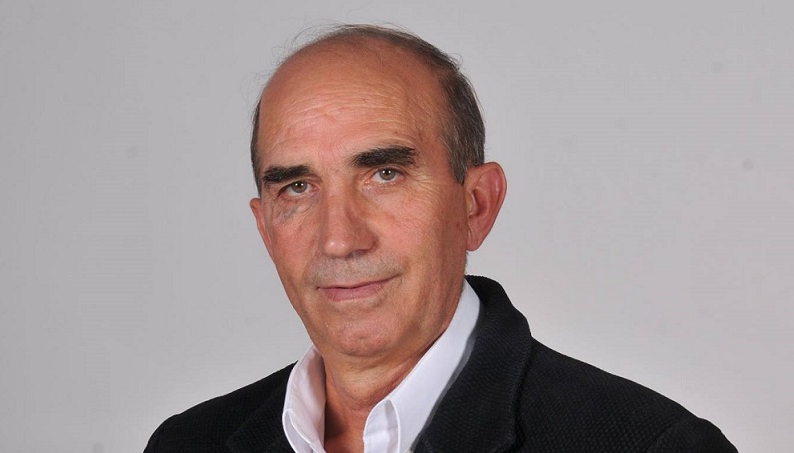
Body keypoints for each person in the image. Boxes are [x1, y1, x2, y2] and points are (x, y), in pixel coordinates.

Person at [145, 25, 736, 453]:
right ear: (266, 229)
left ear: (476, 205)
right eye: (297, 188)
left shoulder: (651, 446)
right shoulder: (187, 444)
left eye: (385, 174)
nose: (338, 240)